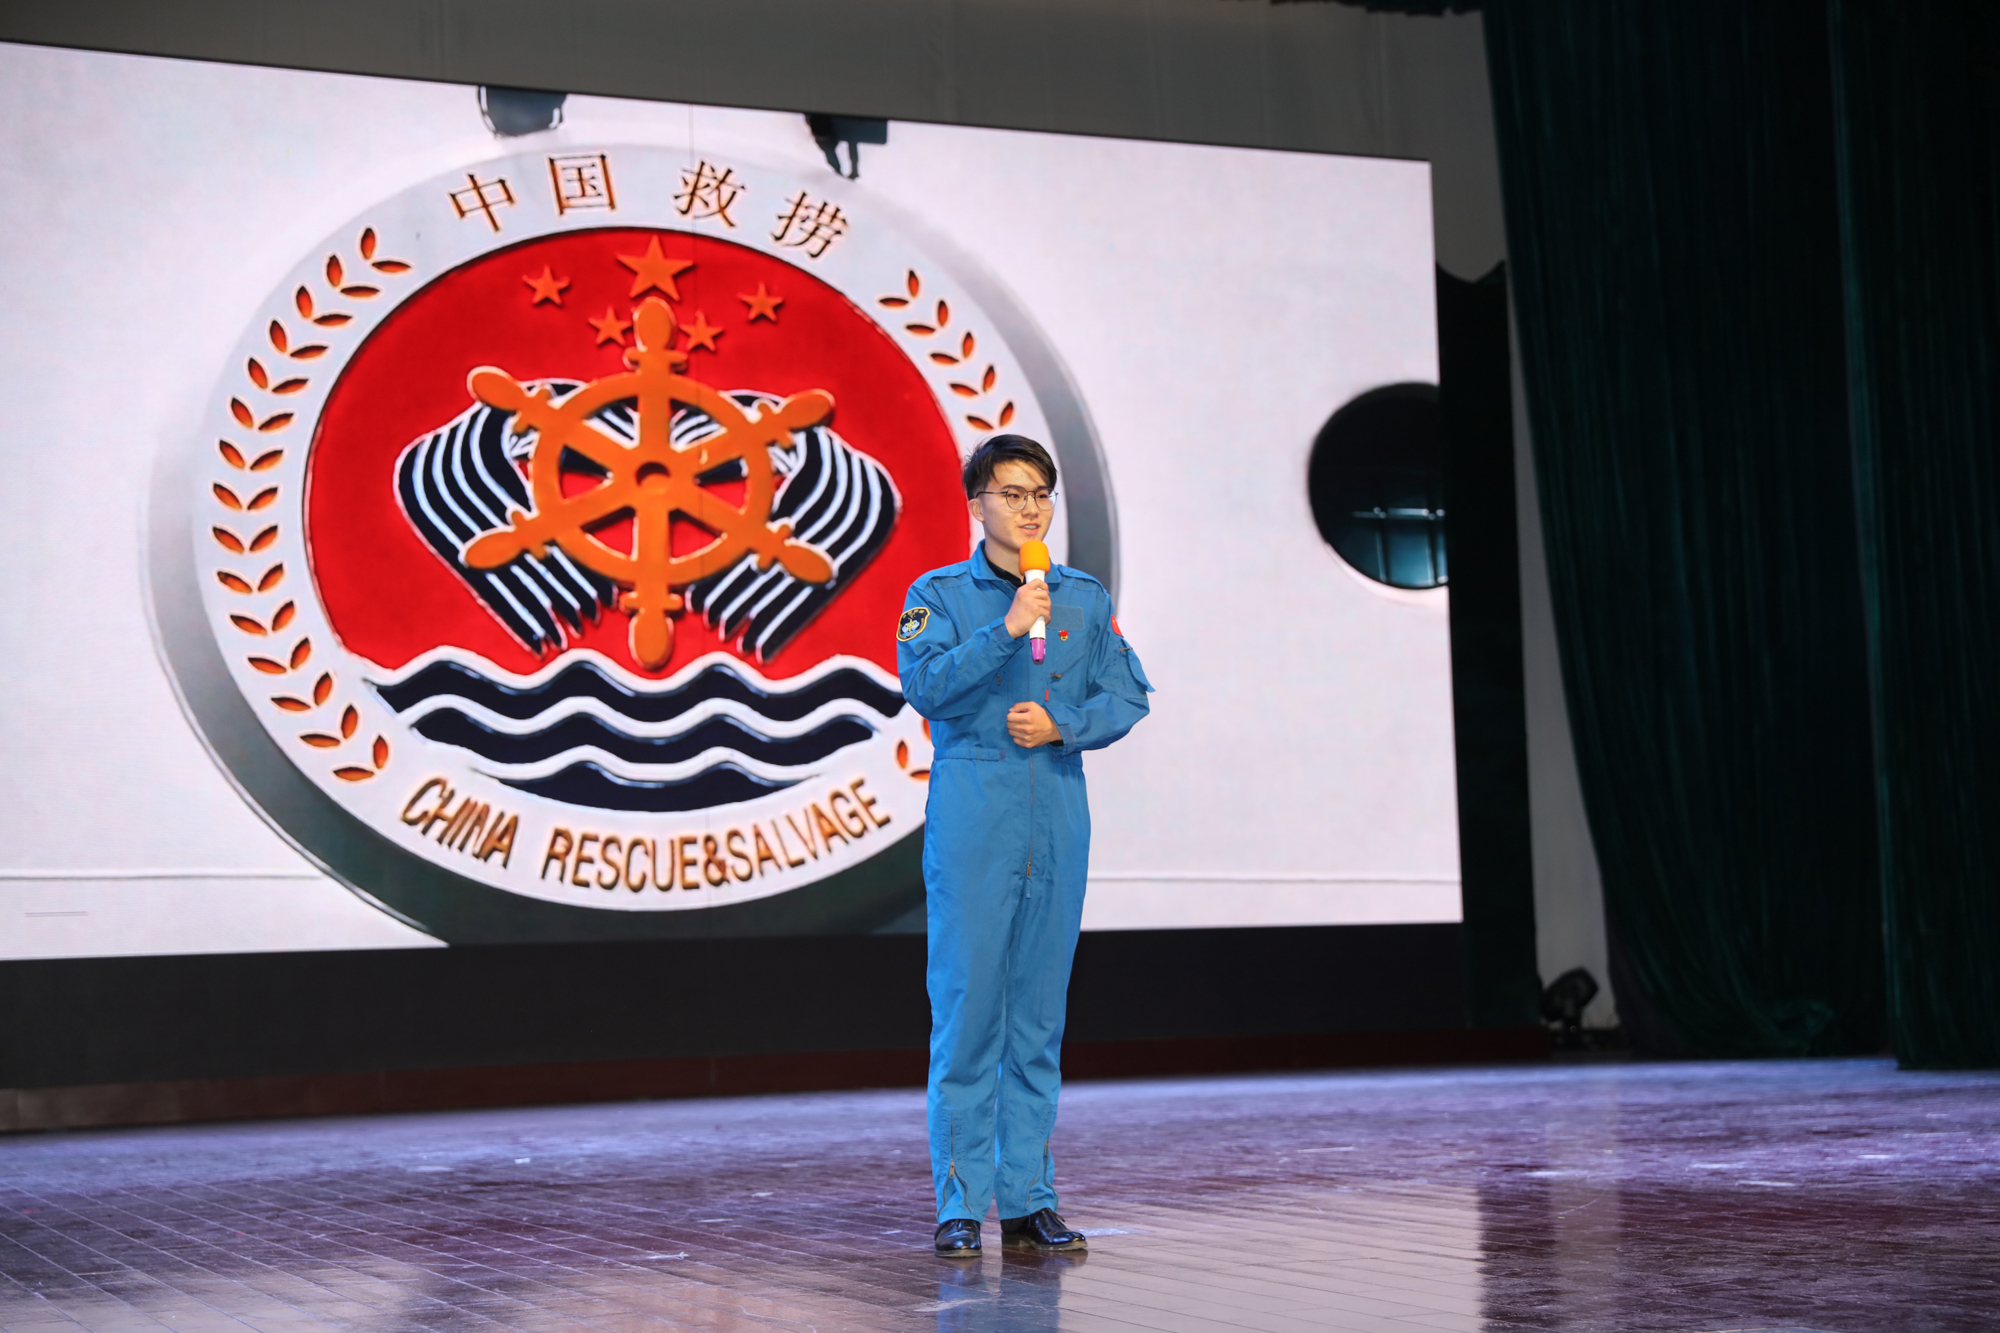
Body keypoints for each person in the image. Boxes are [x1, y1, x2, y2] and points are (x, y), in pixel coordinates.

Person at [895, 434, 1155, 1257]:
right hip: (976, 809)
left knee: (1038, 1021)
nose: (1031, 507)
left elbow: (1129, 693)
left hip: (1058, 809)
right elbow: (924, 685)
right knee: (969, 1013)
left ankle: (1030, 1198)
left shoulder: (1081, 597)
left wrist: (1064, 723)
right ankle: (960, 1203)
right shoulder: (939, 594)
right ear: (978, 504)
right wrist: (1006, 629)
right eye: (1012, 493)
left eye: (1040, 492)